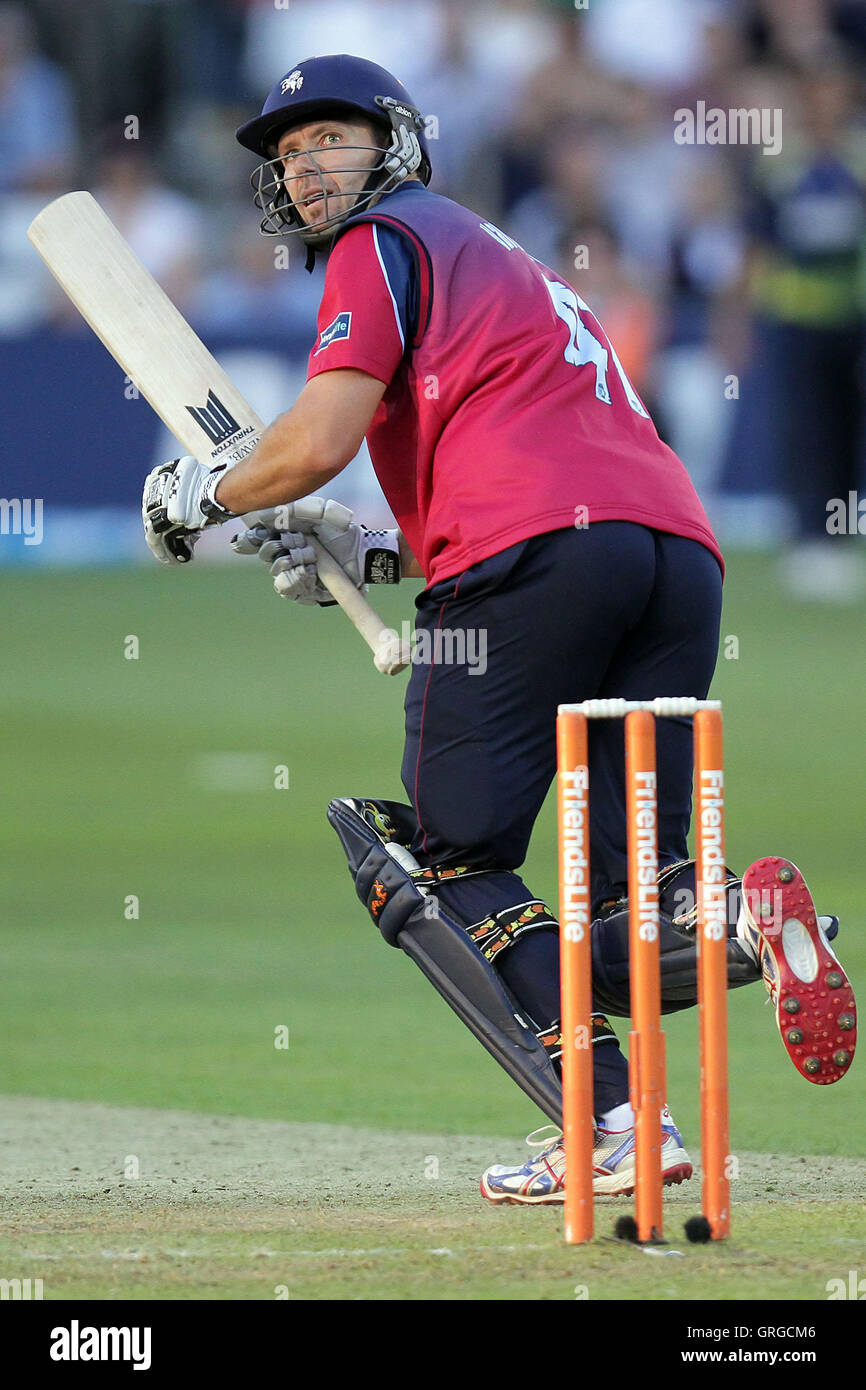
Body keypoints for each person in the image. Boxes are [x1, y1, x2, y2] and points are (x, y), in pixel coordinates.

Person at [141, 54, 856, 1206]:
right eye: (287, 155)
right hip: (669, 556)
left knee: (435, 858)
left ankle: (617, 1121)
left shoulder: (383, 245)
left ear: (396, 143)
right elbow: (518, 450)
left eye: (330, 139)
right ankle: (740, 917)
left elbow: (319, 435)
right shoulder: (497, 255)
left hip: (535, 559)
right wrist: (369, 551)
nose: (307, 167)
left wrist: (206, 494)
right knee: (625, 900)